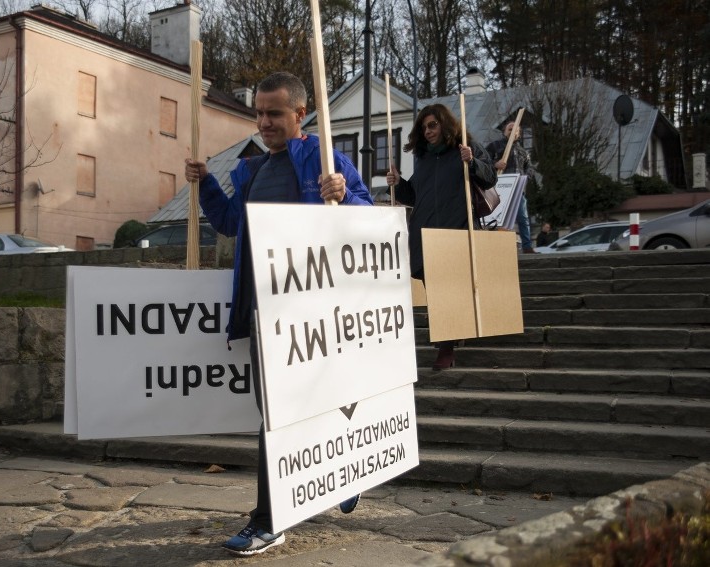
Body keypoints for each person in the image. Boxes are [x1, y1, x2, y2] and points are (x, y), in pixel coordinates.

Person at [184, 71, 372, 557]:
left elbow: (372, 222)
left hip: (315, 310)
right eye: (259, 113)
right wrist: (205, 184)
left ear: (300, 114)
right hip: (263, 312)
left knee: (289, 413)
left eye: (274, 113)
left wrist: (343, 195)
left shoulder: (327, 161)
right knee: (275, 414)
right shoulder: (249, 170)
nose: (263, 122)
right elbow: (229, 223)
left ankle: (271, 519)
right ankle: (332, 473)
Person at [386, 104, 496, 371]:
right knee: (433, 288)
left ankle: (446, 347)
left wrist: (472, 162)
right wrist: (399, 184)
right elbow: (415, 196)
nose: (427, 131)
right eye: (423, 127)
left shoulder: (465, 148)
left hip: (454, 229)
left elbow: (490, 177)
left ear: (445, 124)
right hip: (423, 231)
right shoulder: (423, 158)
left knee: (446, 288)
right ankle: (451, 334)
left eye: (432, 125)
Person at [486, 121, 536, 253]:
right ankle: (497, 247)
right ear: (504, 131)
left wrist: (525, 178)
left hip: (518, 189)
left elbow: (529, 168)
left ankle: (527, 246)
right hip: (500, 189)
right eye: (510, 128)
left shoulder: (523, 152)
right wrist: (495, 165)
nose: (512, 131)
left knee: (522, 217)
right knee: (499, 218)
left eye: (516, 130)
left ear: (518, 134)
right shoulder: (494, 146)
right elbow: (483, 161)